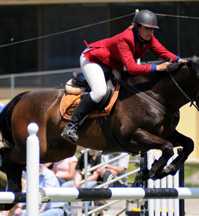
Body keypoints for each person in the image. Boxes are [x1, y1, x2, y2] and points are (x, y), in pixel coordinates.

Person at [61, 9, 187, 143]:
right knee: (100, 92)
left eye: (152, 29)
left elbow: (162, 51)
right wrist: (158, 67)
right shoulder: (125, 39)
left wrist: (178, 60)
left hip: (112, 63)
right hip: (93, 59)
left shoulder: (149, 39)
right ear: (137, 27)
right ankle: (71, 126)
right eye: (147, 28)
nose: (150, 32)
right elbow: (132, 68)